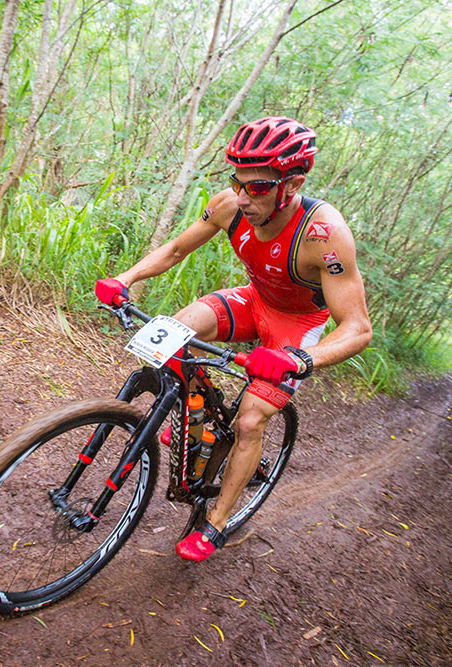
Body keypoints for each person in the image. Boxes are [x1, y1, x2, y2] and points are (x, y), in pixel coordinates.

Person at [95, 116, 372, 562]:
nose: (243, 197)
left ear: (293, 183)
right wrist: (124, 279)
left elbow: (358, 328)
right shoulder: (229, 205)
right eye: (237, 182)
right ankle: (198, 420)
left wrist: (298, 360)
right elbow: (176, 250)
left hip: (295, 327)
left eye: (257, 187)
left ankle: (217, 522)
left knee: (248, 421)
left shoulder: (324, 235)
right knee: (169, 337)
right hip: (252, 301)